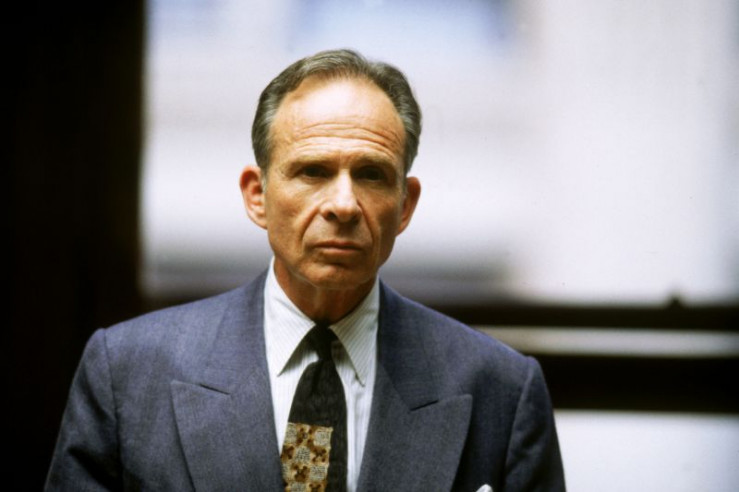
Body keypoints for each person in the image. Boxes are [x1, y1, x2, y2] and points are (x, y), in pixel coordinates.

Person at [46, 49, 565, 491]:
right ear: (258, 195)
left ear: (405, 205)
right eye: (313, 171)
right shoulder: (129, 373)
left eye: (371, 175)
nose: (343, 204)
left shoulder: (500, 389)